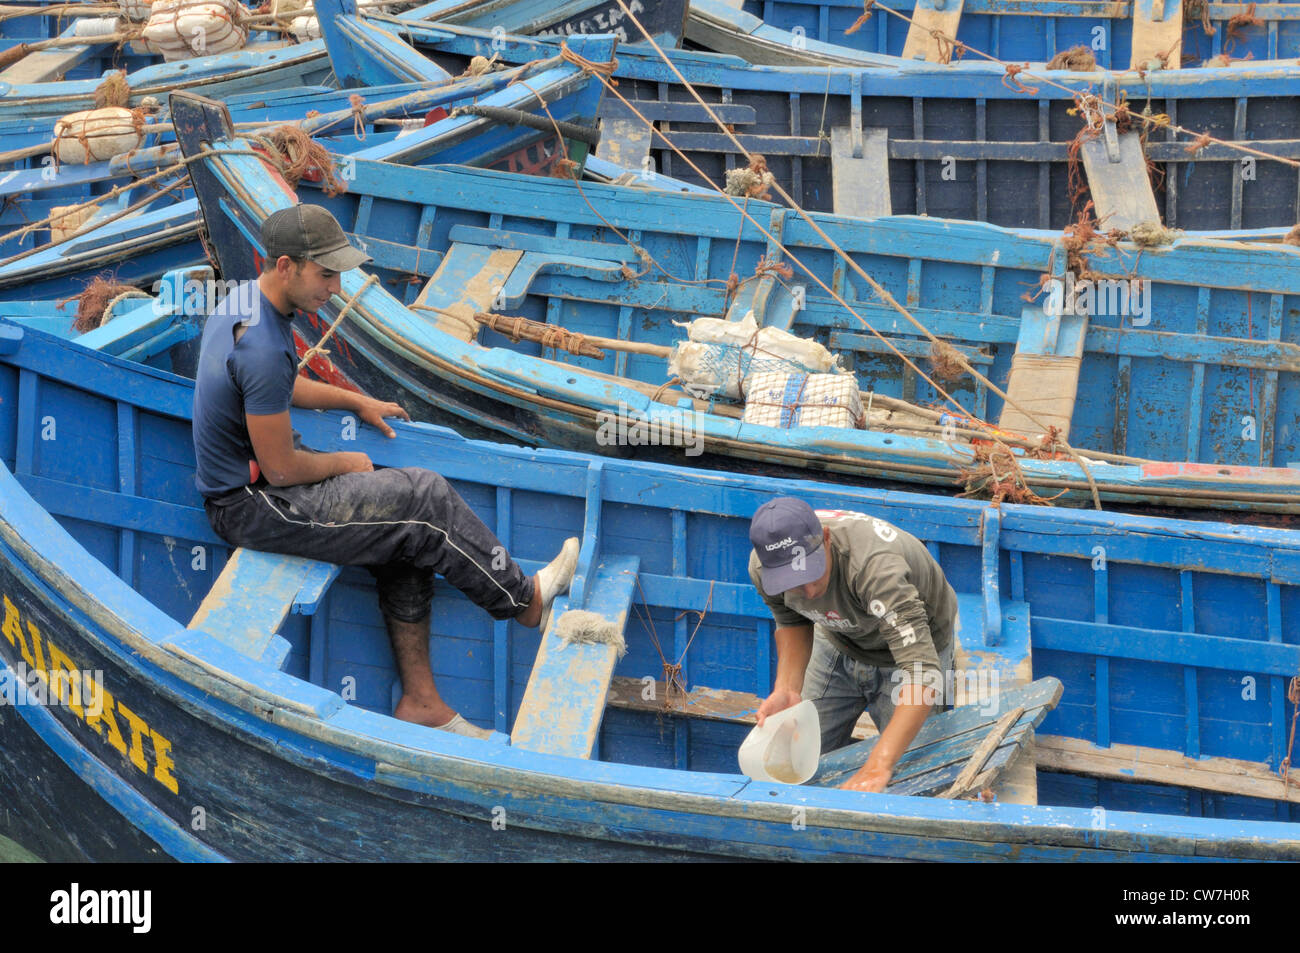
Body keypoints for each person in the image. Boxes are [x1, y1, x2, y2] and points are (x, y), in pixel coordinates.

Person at [192, 204, 578, 739]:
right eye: (326, 274)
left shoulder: (245, 304)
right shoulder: (261, 344)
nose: (335, 286)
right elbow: (281, 470)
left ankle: (421, 702)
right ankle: (523, 600)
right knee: (426, 497)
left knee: (406, 535)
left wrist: (355, 401)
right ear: (286, 266)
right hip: (253, 505)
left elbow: (276, 391)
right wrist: (347, 461)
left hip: (256, 491)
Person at [748, 497, 959, 793]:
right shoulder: (763, 569)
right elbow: (792, 621)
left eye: (811, 572)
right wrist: (787, 688)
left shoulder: (876, 569)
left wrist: (879, 764)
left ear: (825, 538)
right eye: (793, 582)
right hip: (838, 637)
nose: (808, 592)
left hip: (913, 653)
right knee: (795, 762)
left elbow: (922, 672)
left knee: (911, 782)